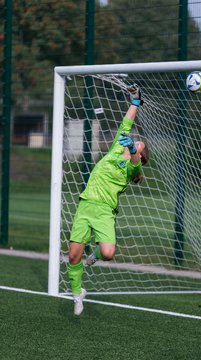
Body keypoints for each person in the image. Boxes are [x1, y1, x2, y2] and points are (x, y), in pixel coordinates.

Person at [67, 84, 149, 315]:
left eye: (139, 146)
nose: (136, 141)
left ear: (141, 156)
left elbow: (134, 162)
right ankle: (77, 294)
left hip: (104, 211)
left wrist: (133, 149)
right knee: (73, 255)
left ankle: (94, 255)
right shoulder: (116, 146)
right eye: (136, 142)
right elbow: (127, 122)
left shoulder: (132, 169)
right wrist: (135, 103)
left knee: (108, 254)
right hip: (86, 204)